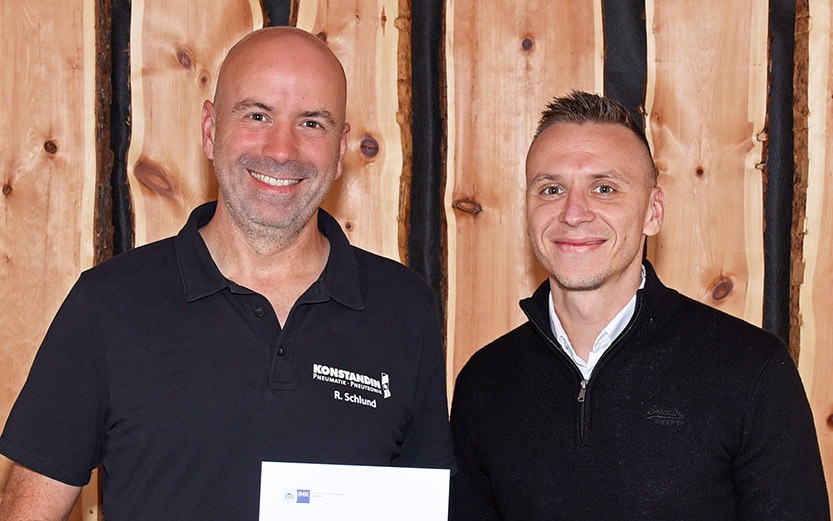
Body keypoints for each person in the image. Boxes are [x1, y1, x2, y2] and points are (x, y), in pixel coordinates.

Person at [0, 26, 455, 519]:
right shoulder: (108, 305)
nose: (281, 150)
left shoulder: (404, 309)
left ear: (341, 148)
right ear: (210, 129)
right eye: (257, 115)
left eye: (311, 123)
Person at [450, 91, 829, 520]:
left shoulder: (751, 369)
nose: (573, 213)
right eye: (551, 189)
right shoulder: (485, 382)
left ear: (653, 211)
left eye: (604, 188)